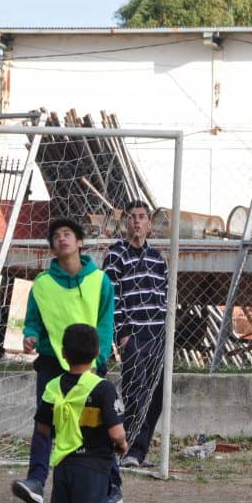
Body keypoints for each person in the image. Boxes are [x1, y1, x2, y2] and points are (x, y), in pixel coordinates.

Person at [12, 218, 121, 503]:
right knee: (44, 422)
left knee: (94, 427)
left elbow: (105, 323)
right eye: (57, 235)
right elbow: (33, 321)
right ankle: (36, 482)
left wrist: (98, 361)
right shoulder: (43, 284)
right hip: (51, 361)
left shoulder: (100, 280)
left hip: (88, 365)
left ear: (79, 242)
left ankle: (112, 486)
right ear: (52, 246)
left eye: (68, 234)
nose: (62, 238)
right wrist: (30, 336)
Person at [37, 323, 127, 503]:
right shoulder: (102, 388)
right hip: (93, 471)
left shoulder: (53, 387)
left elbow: (42, 428)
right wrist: (123, 447)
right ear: (98, 353)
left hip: (63, 469)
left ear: (63, 353)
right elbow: (116, 433)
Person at [103, 201, 168, 469]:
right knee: (135, 392)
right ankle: (127, 449)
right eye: (132, 218)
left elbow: (164, 296)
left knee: (157, 396)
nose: (137, 222)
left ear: (150, 224)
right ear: (125, 223)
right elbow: (112, 296)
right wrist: (123, 333)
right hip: (134, 334)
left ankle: (139, 450)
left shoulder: (157, 258)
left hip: (157, 334)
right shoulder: (116, 255)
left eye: (142, 217)